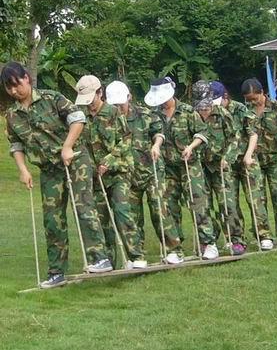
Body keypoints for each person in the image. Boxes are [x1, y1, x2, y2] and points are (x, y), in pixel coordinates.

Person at [2, 62, 110, 287]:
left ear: (27, 79)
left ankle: (100, 258)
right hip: (49, 169)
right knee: (52, 219)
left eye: (16, 84)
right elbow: (16, 145)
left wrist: (67, 146)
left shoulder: (52, 98)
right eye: (8, 87)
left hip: (75, 160)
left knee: (83, 207)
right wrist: (23, 171)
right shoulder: (12, 115)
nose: (13, 90)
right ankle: (56, 272)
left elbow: (78, 119)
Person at [105, 80, 185, 264]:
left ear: (129, 98)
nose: (119, 108)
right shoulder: (109, 120)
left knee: (159, 209)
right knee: (132, 216)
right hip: (127, 175)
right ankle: (138, 255)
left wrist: (156, 145)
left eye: (121, 104)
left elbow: (158, 133)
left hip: (151, 171)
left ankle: (174, 250)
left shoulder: (145, 114)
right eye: (115, 105)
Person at [144, 77, 219, 259]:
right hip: (167, 168)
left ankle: (208, 243)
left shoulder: (186, 111)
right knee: (168, 206)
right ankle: (174, 248)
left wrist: (191, 146)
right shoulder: (154, 114)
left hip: (189, 165)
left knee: (197, 203)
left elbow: (202, 133)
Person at [76, 75, 145, 268]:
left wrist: (109, 159)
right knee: (101, 218)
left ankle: (136, 256)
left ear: (100, 93)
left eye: (92, 99)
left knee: (122, 211)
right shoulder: (82, 116)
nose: (89, 105)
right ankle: (107, 262)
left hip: (118, 171)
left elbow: (126, 140)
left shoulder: (113, 112)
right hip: (96, 176)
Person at [217, 81, 274, 253]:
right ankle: (235, 238)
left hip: (246, 159)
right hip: (227, 162)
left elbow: (253, 133)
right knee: (229, 201)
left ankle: (264, 236)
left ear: (225, 97)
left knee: (255, 198)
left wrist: (249, 155)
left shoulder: (241, 109)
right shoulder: (212, 113)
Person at [242, 78, 277, 247]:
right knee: (257, 198)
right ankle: (264, 235)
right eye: (248, 99)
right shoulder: (245, 110)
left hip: (274, 158)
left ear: (262, 93)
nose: (252, 101)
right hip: (254, 160)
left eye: (254, 98)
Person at [191, 81, 238, 253]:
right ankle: (209, 239)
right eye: (200, 108)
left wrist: (228, 157)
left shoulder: (223, 115)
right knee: (202, 205)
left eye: (206, 107)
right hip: (200, 166)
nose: (204, 111)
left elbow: (235, 138)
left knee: (227, 203)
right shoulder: (191, 115)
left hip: (220, 165)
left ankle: (236, 239)